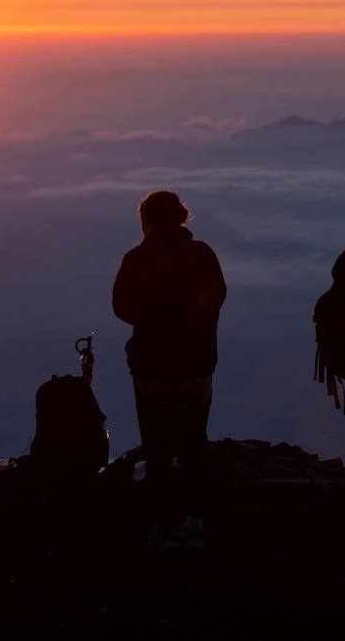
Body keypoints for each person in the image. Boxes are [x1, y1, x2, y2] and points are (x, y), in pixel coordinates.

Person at [112, 191, 226, 550]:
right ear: (181, 217)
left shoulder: (136, 259)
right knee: (195, 443)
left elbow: (122, 308)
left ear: (146, 220)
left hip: (152, 368)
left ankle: (165, 526)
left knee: (157, 448)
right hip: (197, 365)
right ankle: (197, 522)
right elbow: (216, 297)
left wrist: (152, 319)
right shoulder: (202, 254)